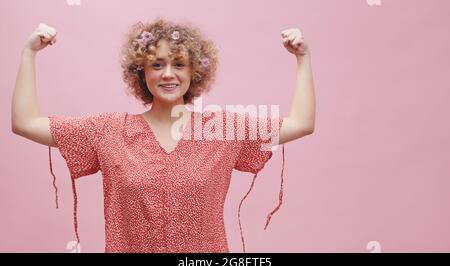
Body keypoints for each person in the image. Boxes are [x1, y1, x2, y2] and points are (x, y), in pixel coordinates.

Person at [11, 18, 315, 253]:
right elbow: (25, 123)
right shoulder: (107, 131)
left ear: (193, 72)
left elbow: (301, 123)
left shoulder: (223, 129)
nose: (168, 73)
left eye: (178, 64)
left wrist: (303, 58)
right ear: (141, 72)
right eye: (157, 65)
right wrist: (28, 54)